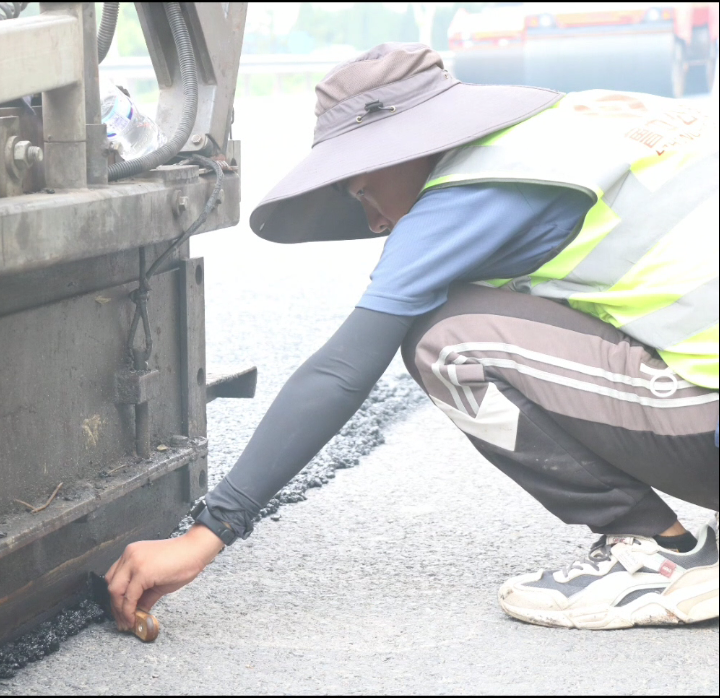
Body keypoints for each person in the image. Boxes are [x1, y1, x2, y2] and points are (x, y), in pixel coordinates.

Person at [103, 43, 719, 631]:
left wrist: (206, 533)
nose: (375, 222)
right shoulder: (586, 121)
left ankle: (657, 557)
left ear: (404, 145)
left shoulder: (470, 191)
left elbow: (342, 371)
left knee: (445, 338)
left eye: (363, 191)